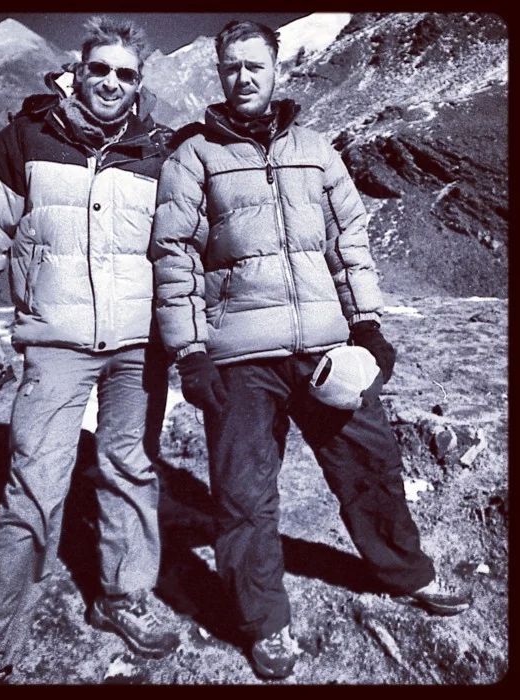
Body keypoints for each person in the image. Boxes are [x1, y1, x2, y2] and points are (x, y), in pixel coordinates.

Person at [150, 19, 472, 680]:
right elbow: (173, 256)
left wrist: (367, 324)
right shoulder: (194, 157)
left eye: (255, 65)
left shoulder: (317, 150)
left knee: (371, 465)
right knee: (243, 494)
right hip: (240, 359)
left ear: (277, 70)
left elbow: (348, 242)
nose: (243, 76)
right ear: (221, 72)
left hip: (326, 347)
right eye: (232, 66)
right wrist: (191, 352)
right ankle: (264, 622)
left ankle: (405, 573)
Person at [0, 15, 179, 685]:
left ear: (139, 83)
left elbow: (183, 243)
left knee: (130, 471)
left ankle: (121, 599)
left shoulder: (159, 150)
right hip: (54, 344)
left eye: (126, 74)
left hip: (138, 348)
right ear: (77, 71)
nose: (111, 82)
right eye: (99, 68)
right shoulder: (27, 138)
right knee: (32, 490)